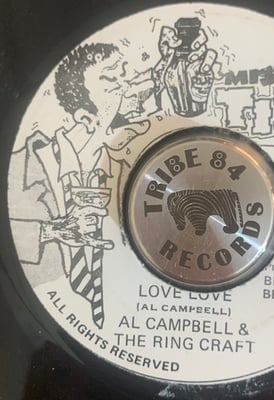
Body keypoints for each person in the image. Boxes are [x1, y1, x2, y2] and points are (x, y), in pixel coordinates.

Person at [9, 25, 217, 328]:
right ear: (84, 116)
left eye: (124, 74)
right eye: (111, 78)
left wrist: (178, 69)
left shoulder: (128, 165)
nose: (126, 84)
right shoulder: (23, 165)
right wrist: (51, 231)